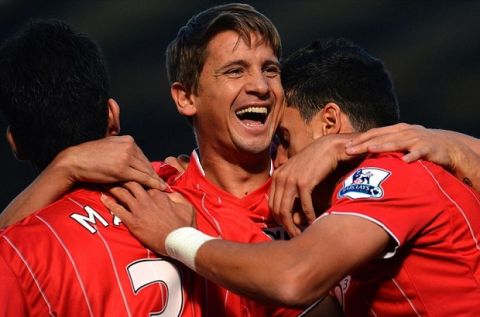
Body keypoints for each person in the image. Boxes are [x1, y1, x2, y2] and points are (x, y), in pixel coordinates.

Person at [104, 38, 480, 317]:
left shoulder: (392, 172)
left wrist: (177, 237)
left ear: (328, 123)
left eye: (282, 141)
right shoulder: (369, 201)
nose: (278, 164)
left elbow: (294, 279)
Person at [0, 19, 203, 316]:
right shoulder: (191, 185)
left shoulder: (16, 252)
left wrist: (64, 168)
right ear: (113, 114)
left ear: (15, 143)